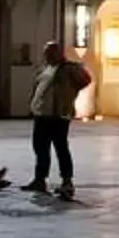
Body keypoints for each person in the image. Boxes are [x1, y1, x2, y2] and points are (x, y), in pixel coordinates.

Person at [26, 42, 91, 199]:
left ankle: (67, 181)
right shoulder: (44, 69)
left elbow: (85, 80)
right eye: (46, 53)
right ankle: (40, 179)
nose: (47, 55)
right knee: (40, 148)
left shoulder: (69, 68)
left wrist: (67, 95)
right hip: (42, 115)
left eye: (50, 52)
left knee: (61, 148)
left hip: (58, 116)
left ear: (59, 53)